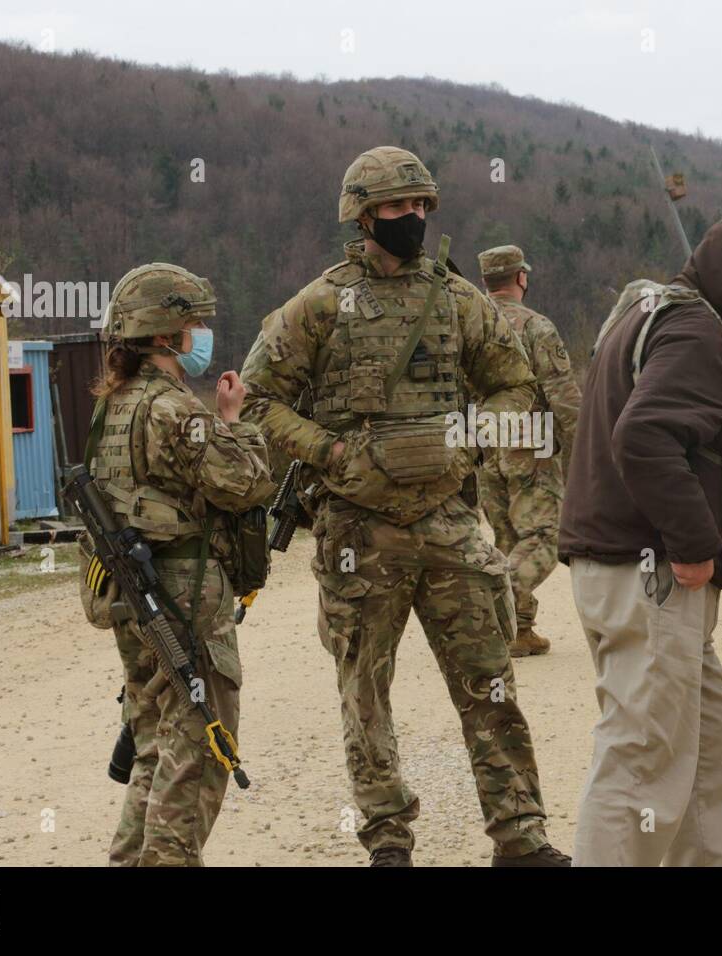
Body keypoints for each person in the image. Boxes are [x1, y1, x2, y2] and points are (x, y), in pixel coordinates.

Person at [240, 146, 569, 867]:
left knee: (490, 684)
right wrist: (329, 455)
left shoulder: (457, 300)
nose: (413, 218)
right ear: (362, 216)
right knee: (366, 694)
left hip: (449, 520)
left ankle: (521, 834)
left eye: (422, 206)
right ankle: (387, 837)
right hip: (359, 529)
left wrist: (469, 437)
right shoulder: (321, 304)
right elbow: (258, 403)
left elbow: (516, 389)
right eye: (397, 208)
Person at [559, 201, 722, 865]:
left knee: (703, 750)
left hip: (633, 576)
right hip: (653, 578)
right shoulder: (695, 332)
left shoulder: (650, 311)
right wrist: (694, 545)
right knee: (642, 765)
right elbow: (643, 437)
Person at [86, 262, 276, 866]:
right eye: (194, 322)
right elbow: (246, 482)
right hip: (182, 596)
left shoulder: (111, 407)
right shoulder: (171, 408)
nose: (201, 334)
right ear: (166, 334)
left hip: (133, 594)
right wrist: (234, 423)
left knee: (152, 750)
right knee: (196, 753)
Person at [476, 244, 582, 657]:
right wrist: (593, 445)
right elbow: (562, 394)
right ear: (521, 277)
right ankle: (493, 601)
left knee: (507, 535)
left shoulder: (469, 324)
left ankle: (516, 630)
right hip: (530, 439)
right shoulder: (536, 327)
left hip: (483, 443)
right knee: (542, 536)